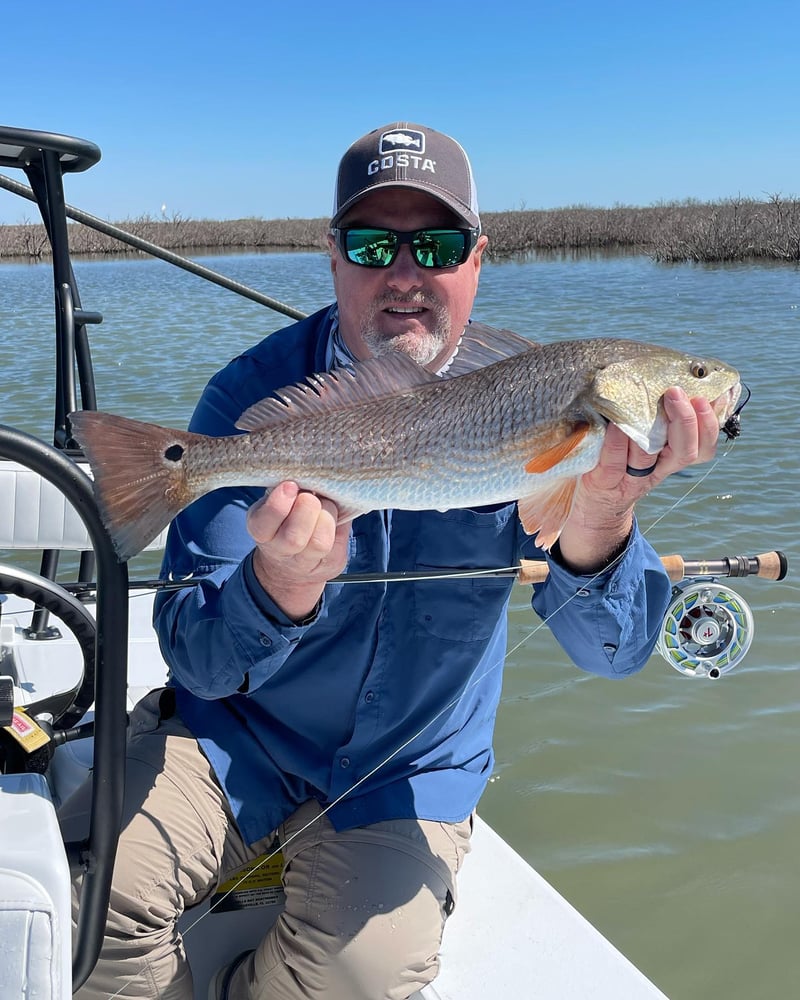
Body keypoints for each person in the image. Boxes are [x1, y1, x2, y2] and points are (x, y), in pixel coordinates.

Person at [61, 122, 722, 1000]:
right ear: (333, 257)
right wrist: (279, 587)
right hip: (238, 743)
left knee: (363, 977)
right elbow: (198, 662)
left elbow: (609, 652)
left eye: (437, 244)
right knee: (88, 903)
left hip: (410, 768)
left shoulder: (546, 398)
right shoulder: (247, 399)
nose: (405, 274)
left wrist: (602, 514)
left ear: (477, 259)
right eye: (374, 244)